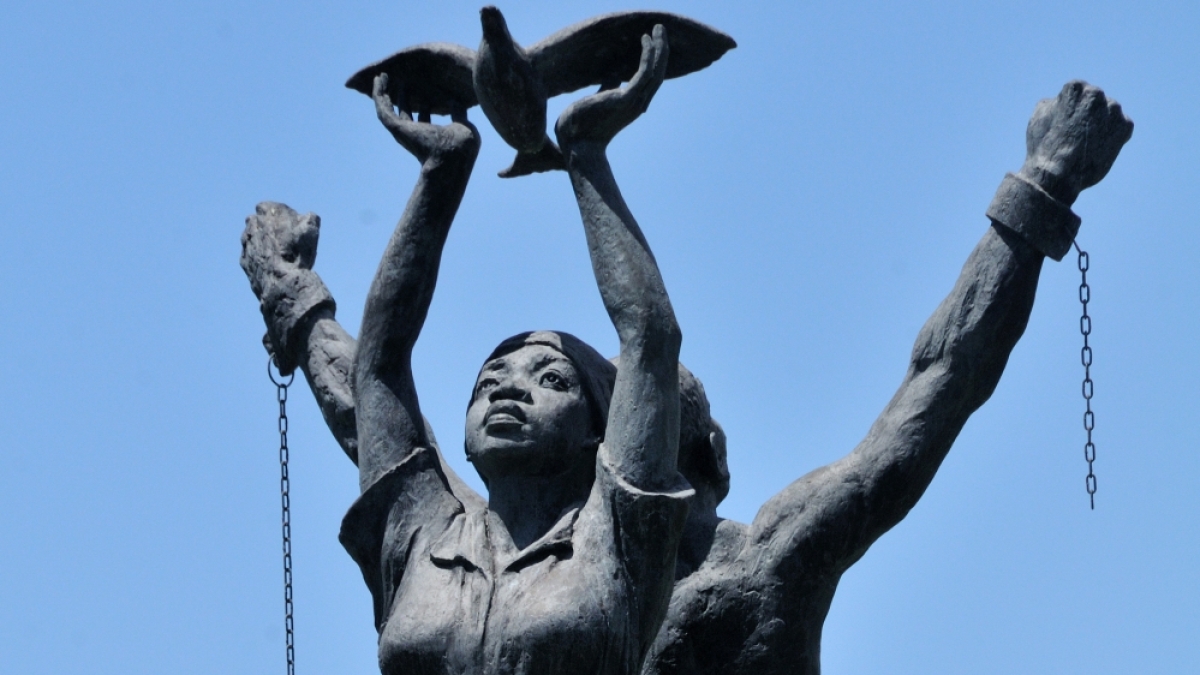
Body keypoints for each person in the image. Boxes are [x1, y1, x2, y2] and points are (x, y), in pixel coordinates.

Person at [242, 42, 1132, 675]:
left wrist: (1039, 189)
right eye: (496, 379)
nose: (509, 390)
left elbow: (934, 394)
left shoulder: (749, 563)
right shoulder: (451, 540)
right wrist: (290, 291)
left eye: (658, 417)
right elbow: (363, 397)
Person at [243, 27, 690, 675]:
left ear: (602, 429)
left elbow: (650, 341)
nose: (509, 388)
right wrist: (440, 171)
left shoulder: (618, 532)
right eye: (489, 381)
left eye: (552, 379)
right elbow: (379, 365)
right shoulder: (422, 529)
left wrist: (586, 153)